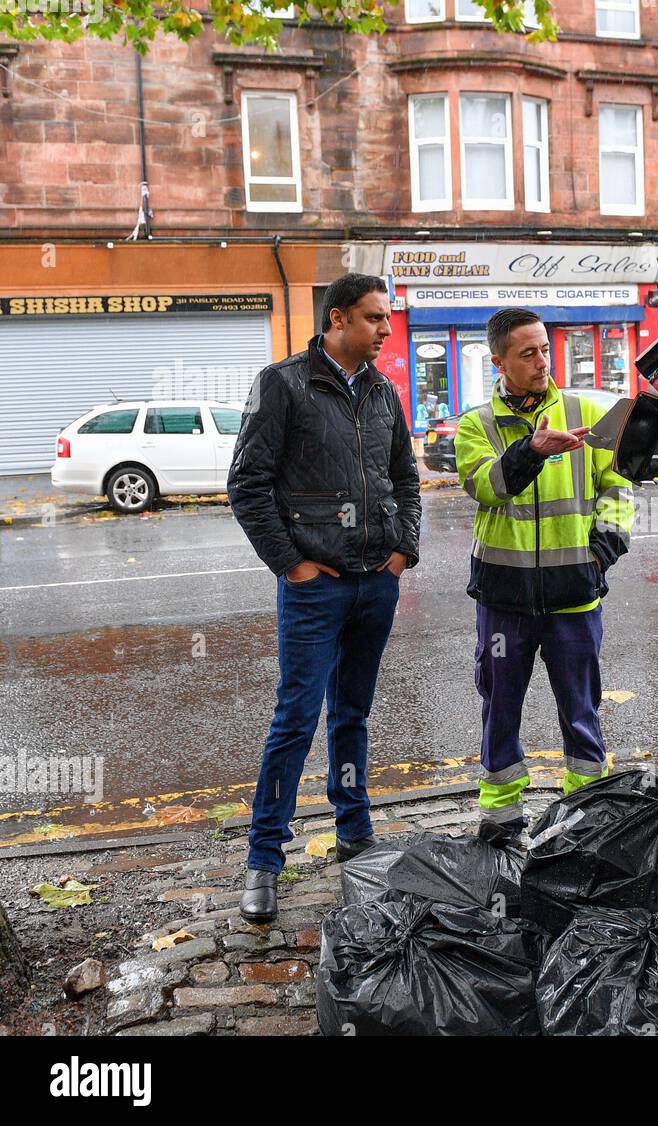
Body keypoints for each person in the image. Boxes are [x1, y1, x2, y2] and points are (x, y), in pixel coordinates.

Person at [228, 273, 421, 923]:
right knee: (295, 718)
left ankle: (354, 830)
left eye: (387, 319)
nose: (386, 330)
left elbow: (405, 479)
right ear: (337, 319)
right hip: (316, 589)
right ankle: (263, 858)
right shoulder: (282, 384)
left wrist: (403, 551)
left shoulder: (383, 391)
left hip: (376, 582)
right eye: (374, 319)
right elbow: (247, 485)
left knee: (352, 714)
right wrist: (292, 565)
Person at [455, 307, 634, 843]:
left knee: (581, 709)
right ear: (500, 362)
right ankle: (502, 816)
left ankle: (586, 811)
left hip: (573, 597)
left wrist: (601, 553)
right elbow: (488, 486)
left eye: (544, 349)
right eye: (527, 353)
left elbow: (618, 488)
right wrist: (530, 450)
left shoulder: (582, 410)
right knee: (500, 708)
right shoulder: (475, 425)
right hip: (504, 598)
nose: (541, 362)